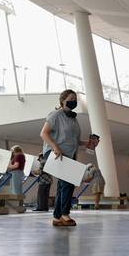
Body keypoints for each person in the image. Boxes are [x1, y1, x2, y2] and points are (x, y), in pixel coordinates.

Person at [39, 89, 98, 227]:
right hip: (56, 153)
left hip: (70, 155)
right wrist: (55, 147)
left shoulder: (73, 119)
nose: (74, 101)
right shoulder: (55, 115)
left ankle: (57, 217)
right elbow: (44, 133)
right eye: (71, 98)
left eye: (75, 98)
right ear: (62, 100)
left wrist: (88, 144)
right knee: (68, 183)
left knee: (64, 185)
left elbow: (74, 141)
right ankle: (64, 215)